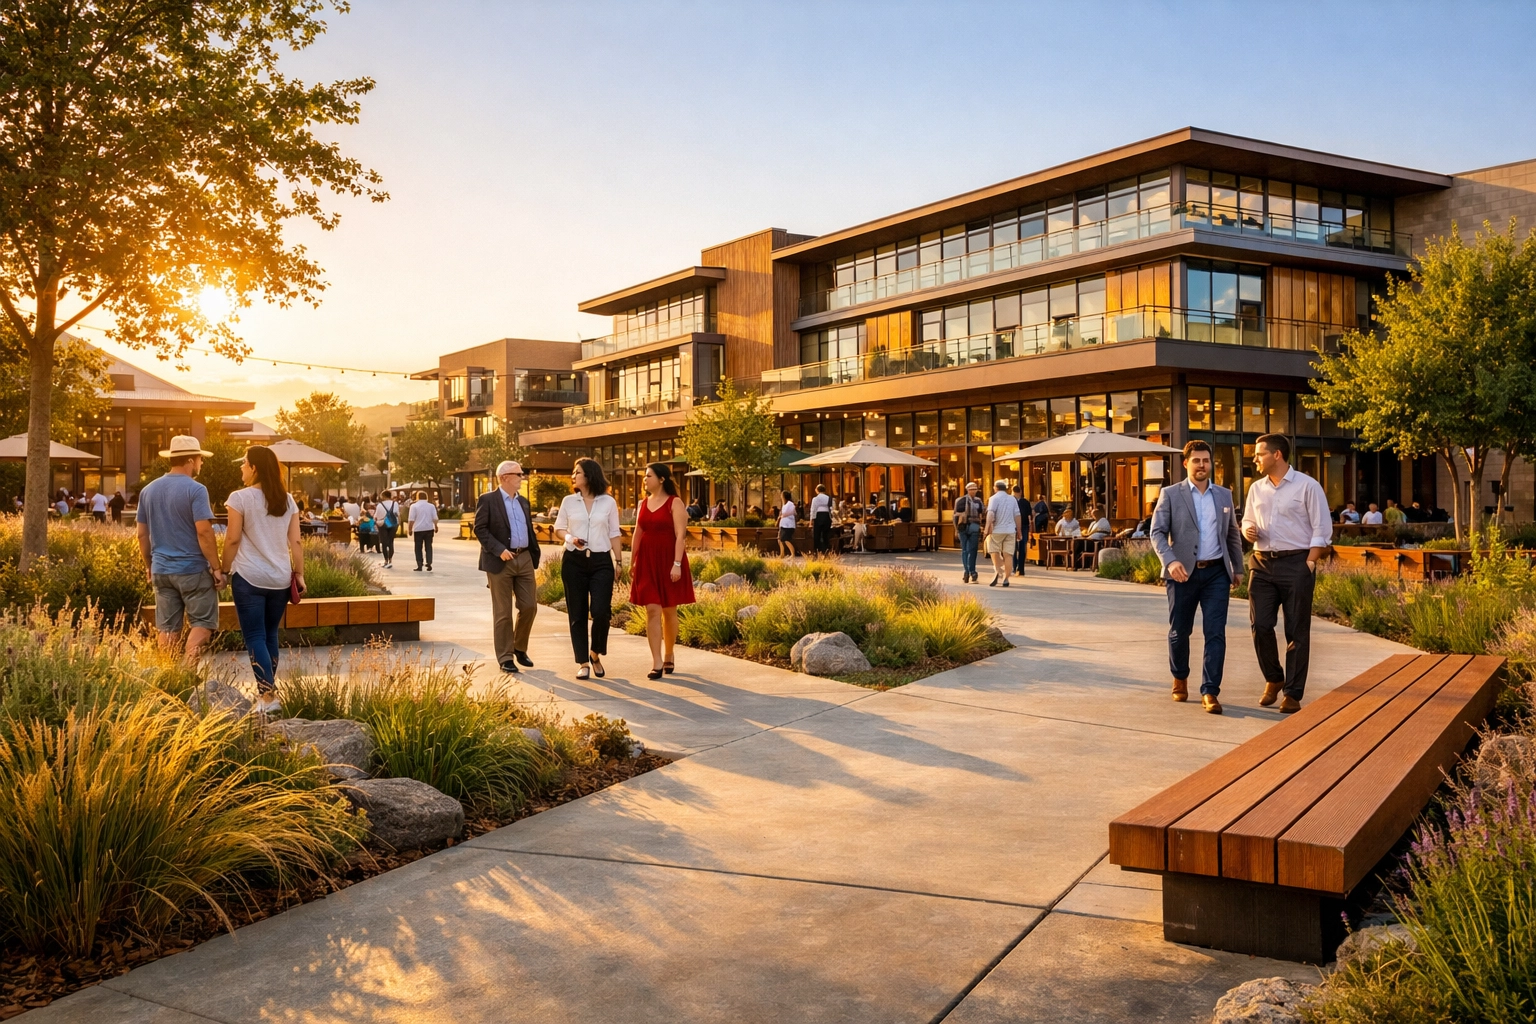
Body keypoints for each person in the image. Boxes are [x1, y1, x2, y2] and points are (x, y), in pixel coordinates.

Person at [1151, 441, 1245, 713]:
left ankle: (1210, 691)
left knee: (1215, 633)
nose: (1202, 465)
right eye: (1196, 461)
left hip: (1216, 572)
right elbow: (1156, 532)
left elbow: (1232, 534)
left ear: (1211, 463)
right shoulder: (1170, 494)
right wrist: (1170, 562)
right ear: (1186, 463)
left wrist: (1237, 568)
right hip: (1182, 575)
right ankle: (1180, 677)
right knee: (1180, 631)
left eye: (1206, 461)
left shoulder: (1224, 495)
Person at [1241, 433, 1332, 714]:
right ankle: (1274, 677)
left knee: (1297, 630)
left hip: (1297, 564)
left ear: (1276, 455)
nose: (1254, 458)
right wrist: (1247, 530)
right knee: (1261, 626)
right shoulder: (1256, 489)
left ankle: (1292, 692)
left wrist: (1311, 562)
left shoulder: (1308, 486)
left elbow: (1322, 529)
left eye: (1259, 453)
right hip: (1262, 563)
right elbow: (1247, 519)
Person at [219, 445, 303, 716]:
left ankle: (268, 697)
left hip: (249, 578)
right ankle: (268, 696)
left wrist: (223, 569)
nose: (241, 467)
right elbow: (296, 541)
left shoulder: (239, 498)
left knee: (254, 636)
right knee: (269, 636)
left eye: (244, 463)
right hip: (279, 578)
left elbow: (232, 539)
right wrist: (299, 574)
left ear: (254, 467)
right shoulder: (287, 499)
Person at [135, 435, 224, 662]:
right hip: (192, 570)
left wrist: (149, 565)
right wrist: (216, 568)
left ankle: (168, 681)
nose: (201, 464)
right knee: (203, 625)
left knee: (167, 629)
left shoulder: (148, 490)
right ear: (191, 461)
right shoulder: (196, 490)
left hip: (161, 570)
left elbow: (141, 534)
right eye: (200, 459)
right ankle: (186, 676)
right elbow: (204, 532)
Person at [555, 458, 622, 680]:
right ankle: (583, 661)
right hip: (574, 561)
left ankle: (595, 653)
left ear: (590, 475)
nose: (573, 476)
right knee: (577, 614)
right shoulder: (568, 501)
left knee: (601, 612)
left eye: (578, 472)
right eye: (573, 472)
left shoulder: (608, 502)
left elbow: (614, 533)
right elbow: (559, 528)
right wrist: (570, 538)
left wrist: (619, 561)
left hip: (601, 561)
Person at [474, 460, 541, 674]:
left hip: (524, 558)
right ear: (504, 477)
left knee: (529, 606)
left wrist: (532, 551)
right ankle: (505, 657)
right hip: (500, 560)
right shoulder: (488, 500)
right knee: (503, 613)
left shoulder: (523, 502)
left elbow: (528, 529)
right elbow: (480, 529)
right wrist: (499, 549)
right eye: (519, 474)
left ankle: (519, 647)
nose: (522, 477)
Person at [630, 462, 695, 679]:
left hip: (668, 559)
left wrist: (677, 564)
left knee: (669, 610)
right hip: (647, 560)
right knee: (652, 609)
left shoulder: (675, 503)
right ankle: (656, 661)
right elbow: (638, 532)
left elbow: (680, 536)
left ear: (661, 479)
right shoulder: (643, 504)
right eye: (644, 476)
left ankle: (669, 653)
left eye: (648, 476)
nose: (645, 480)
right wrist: (633, 560)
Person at [982, 479, 1023, 587]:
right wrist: (1019, 531)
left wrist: (986, 529)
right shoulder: (1012, 499)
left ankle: (998, 570)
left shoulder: (993, 498)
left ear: (995, 488)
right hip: (1010, 530)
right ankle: (1006, 578)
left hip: (996, 530)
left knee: (994, 551)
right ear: (1006, 488)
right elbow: (1018, 516)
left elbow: (990, 514)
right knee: (1008, 555)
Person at [953, 481, 984, 583]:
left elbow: (955, 516)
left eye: (974, 489)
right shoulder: (977, 501)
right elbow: (982, 514)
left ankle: (967, 571)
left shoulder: (960, 500)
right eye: (972, 489)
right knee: (971, 550)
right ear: (968, 490)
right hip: (972, 526)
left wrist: (956, 529)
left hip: (963, 527)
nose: (974, 491)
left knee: (967, 550)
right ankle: (971, 571)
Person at [409, 489, 439, 571]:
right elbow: (435, 518)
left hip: (418, 529)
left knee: (418, 547)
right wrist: (436, 526)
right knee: (428, 546)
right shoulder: (431, 506)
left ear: (418, 497)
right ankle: (429, 563)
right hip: (429, 529)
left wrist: (410, 529)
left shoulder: (414, 506)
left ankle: (419, 564)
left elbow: (411, 519)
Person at [375, 489, 402, 568]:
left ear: (383, 496)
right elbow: (397, 514)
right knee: (391, 542)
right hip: (393, 524)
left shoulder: (380, 505)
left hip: (383, 524)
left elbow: (377, 516)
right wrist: (399, 523)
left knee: (384, 542)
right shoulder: (395, 503)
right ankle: (390, 559)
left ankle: (386, 560)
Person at [1012, 485, 1031, 576]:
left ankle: (1015, 567)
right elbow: (1029, 516)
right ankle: (1020, 568)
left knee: (1014, 547)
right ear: (1021, 492)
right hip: (1023, 525)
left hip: (1014, 526)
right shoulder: (1025, 502)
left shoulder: (1010, 501)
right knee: (1021, 547)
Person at [809, 484, 833, 554]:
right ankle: (826, 550)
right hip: (827, 516)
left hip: (818, 516)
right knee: (826, 534)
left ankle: (817, 551)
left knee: (817, 534)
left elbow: (813, 510)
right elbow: (831, 509)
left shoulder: (815, 499)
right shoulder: (829, 498)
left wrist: (811, 521)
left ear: (817, 490)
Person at [777, 490, 798, 557]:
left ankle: (792, 554)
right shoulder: (784, 504)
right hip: (783, 524)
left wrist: (781, 515)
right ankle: (782, 554)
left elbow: (787, 513)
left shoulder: (790, 504)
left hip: (788, 525)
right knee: (780, 539)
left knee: (786, 539)